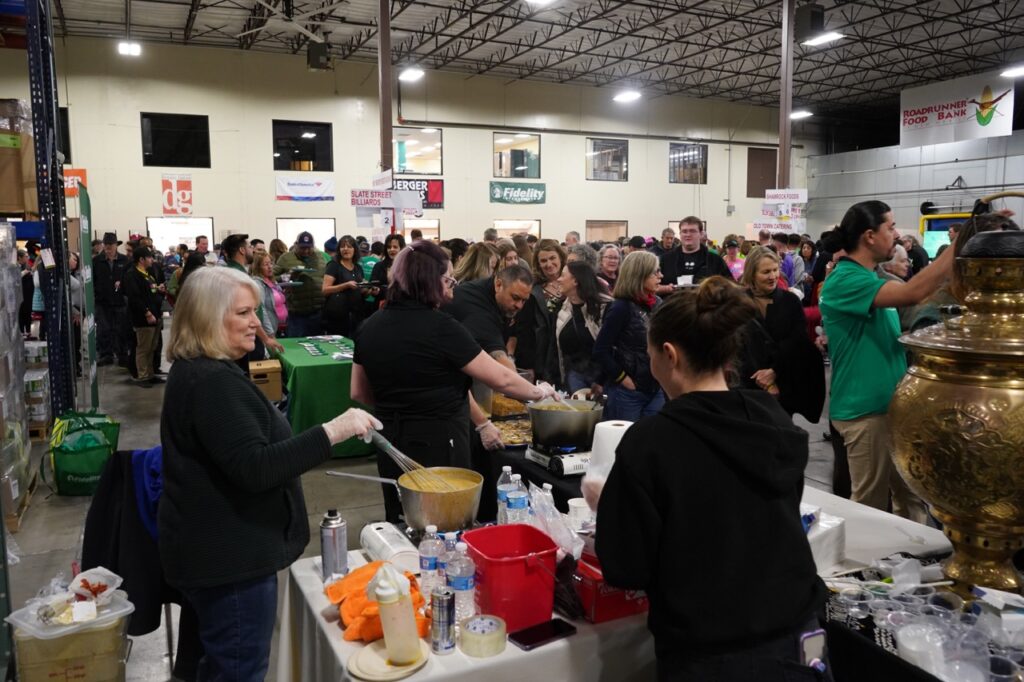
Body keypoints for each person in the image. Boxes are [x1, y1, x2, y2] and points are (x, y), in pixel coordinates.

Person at [593, 277, 827, 682]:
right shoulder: (768, 417)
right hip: (803, 631)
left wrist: (607, 507)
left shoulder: (651, 442)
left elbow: (625, 567)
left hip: (713, 650)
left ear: (668, 354)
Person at [159, 266, 380, 682]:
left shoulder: (205, 371)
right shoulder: (211, 383)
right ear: (208, 318)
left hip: (213, 554)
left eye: (256, 311)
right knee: (238, 669)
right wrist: (335, 431)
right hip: (231, 564)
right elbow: (257, 468)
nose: (257, 323)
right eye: (243, 313)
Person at [351, 241, 558, 522]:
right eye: (448, 279)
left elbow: (359, 392)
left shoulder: (369, 326)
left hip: (391, 441)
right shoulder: (443, 328)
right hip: (440, 442)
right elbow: (502, 380)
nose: (452, 287)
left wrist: (402, 403)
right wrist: (539, 391)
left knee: (403, 518)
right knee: (445, 524)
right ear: (430, 281)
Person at [820, 200, 956, 523]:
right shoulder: (845, 281)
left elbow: (919, 297)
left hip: (889, 409)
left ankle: (913, 561)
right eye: (891, 227)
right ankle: (858, 570)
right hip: (864, 413)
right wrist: (958, 246)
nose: (896, 234)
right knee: (868, 505)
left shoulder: (870, 278)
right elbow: (912, 293)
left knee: (911, 500)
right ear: (869, 236)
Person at [738, 247, 825, 422]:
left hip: (783, 383)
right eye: (766, 272)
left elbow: (797, 341)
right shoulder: (738, 302)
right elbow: (735, 346)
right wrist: (762, 379)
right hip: (746, 385)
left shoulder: (790, 301)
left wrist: (774, 373)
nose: (772, 276)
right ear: (752, 274)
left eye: (775, 270)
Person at [594, 251, 665, 421]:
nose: (660, 276)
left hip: (655, 389)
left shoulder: (658, 303)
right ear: (639, 275)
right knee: (623, 443)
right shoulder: (620, 308)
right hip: (628, 392)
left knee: (652, 442)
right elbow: (600, 350)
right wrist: (623, 379)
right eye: (655, 272)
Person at [445, 265, 533, 368]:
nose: (519, 306)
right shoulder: (477, 304)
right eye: (515, 298)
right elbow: (499, 358)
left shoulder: (501, 299)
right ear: (498, 285)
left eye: (524, 300)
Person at [223, 233, 283, 360]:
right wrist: (266, 338)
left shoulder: (229, 272)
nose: (253, 250)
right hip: (244, 337)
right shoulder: (239, 277)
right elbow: (250, 313)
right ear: (242, 250)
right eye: (250, 247)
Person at [513, 239, 565, 381]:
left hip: (569, 358)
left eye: (552, 258)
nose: (549, 264)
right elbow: (524, 330)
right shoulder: (533, 290)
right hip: (543, 358)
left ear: (561, 257)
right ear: (538, 264)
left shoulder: (573, 283)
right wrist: (528, 364)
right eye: (543, 261)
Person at [555, 261, 611, 393]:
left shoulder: (605, 307)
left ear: (575, 281)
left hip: (603, 378)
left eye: (563, 276)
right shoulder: (563, 308)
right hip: (574, 375)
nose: (558, 279)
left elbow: (612, 348)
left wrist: (602, 380)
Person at [123, 247, 164, 386]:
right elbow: (135, 298)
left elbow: (148, 290)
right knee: (143, 348)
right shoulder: (132, 275)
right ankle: (143, 376)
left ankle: (150, 373)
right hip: (143, 318)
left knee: (152, 347)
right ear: (141, 259)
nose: (152, 260)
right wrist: (147, 313)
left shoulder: (147, 273)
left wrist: (157, 288)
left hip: (154, 315)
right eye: (149, 257)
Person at [273, 231, 326, 338]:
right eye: (302, 248)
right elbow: (271, 278)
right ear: (296, 245)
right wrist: (288, 276)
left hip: (317, 312)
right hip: (296, 313)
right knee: (296, 345)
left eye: (309, 248)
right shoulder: (286, 258)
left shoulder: (320, 258)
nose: (306, 251)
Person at [657, 217, 731, 294]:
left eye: (692, 231)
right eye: (684, 231)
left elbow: (730, 286)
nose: (688, 234)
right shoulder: (666, 260)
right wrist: (664, 289)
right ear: (680, 234)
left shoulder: (715, 260)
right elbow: (651, 286)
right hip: (674, 304)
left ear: (701, 234)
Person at [93, 232, 131, 366]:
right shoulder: (96, 261)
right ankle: (106, 355)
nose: (109, 247)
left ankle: (122, 354)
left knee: (121, 329)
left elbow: (129, 278)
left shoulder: (124, 260)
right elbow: (92, 280)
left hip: (120, 301)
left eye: (111, 244)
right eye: (106, 244)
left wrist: (123, 284)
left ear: (116, 245)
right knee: (104, 329)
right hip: (102, 302)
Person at [322, 235, 369, 337]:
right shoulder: (333, 265)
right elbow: (325, 290)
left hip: (356, 316)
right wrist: (345, 285)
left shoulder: (358, 268)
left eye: (349, 246)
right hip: (337, 317)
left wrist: (368, 289)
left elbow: (360, 292)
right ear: (339, 249)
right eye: (343, 246)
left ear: (355, 250)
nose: (346, 249)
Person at [250, 252, 288, 338]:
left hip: (279, 327)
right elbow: (261, 309)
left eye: (271, 263)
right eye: (266, 264)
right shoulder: (258, 283)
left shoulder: (273, 281)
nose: (270, 267)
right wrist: (270, 333)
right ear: (258, 267)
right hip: (268, 332)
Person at [17, 249, 32, 334]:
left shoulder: (27, 266)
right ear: (19, 257)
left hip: (28, 295)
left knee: (28, 312)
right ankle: (22, 331)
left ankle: (28, 331)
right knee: (21, 312)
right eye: (26, 257)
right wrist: (24, 273)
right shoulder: (15, 267)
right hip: (19, 295)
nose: (28, 258)